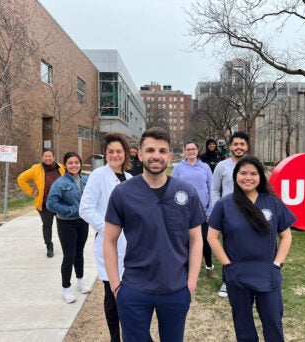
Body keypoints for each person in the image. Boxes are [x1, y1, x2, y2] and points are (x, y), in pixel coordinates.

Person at [103, 127, 204, 342]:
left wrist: (191, 282)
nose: (155, 156)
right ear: (140, 154)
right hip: (134, 289)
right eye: (150, 150)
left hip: (175, 288)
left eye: (162, 150)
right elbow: (109, 241)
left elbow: (196, 239)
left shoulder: (187, 192)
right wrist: (115, 286)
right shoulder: (123, 193)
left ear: (169, 156)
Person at [208, 156, 295, 341]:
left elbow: (286, 236)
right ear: (235, 176)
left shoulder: (272, 202)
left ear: (261, 177)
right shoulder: (224, 204)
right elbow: (212, 237)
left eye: (253, 173)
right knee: (243, 326)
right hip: (237, 274)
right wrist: (227, 264)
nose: (248, 177)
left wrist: (277, 264)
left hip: (267, 273)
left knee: (273, 322)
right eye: (243, 173)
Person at [79, 132, 133, 342]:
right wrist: (110, 228)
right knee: (112, 293)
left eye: (119, 151)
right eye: (110, 151)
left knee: (129, 295)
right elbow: (85, 209)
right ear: (105, 153)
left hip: (130, 247)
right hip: (108, 244)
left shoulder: (129, 178)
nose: (114, 155)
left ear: (125, 153)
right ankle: (114, 338)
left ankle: (133, 333)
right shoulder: (98, 175)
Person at [46, 152, 90, 304]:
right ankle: (66, 288)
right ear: (65, 165)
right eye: (70, 163)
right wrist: (71, 210)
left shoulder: (86, 179)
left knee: (79, 253)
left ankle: (80, 280)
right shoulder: (59, 183)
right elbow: (51, 204)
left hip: (83, 222)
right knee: (68, 256)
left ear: (80, 164)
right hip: (66, 223)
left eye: (76, 162)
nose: (74, 165)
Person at [172, 141, 218, 279]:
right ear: (185, 151)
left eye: (193, 149)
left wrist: (210, 210)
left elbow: (212, 189)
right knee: (184, 240)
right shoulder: (179, 168)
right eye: (188, 149)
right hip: (183, 211)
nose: (191, 151)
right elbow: (172, 188)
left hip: (203, 212)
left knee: (204, 239)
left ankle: (209, 267)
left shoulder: (205, 167)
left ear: (198, 150)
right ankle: (184, 267)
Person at [212, 131, 249, 297]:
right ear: (230, 146)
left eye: (242, 144)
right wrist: (216, 209)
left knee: (248, 247)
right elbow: (214, 189)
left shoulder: (252, 165)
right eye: (236, 144)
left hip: (249, 213)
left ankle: (246, 279)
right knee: (229, 248)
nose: (238, 147)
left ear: (247, 146)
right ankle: (227, 282)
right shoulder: (222, 166)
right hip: (229, 213)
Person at [17, 149, 65, 258]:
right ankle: (49, 246)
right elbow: (21, 179)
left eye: (50, 156)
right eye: (45, 156)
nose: (48, 158)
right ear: (42, 157)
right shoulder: (36, 169)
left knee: (63, 226)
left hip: (60, 204)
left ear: (54, 157)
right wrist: (31, 191)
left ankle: (66, 245)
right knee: (47, 226)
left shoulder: (61, 168)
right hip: (45, 204)